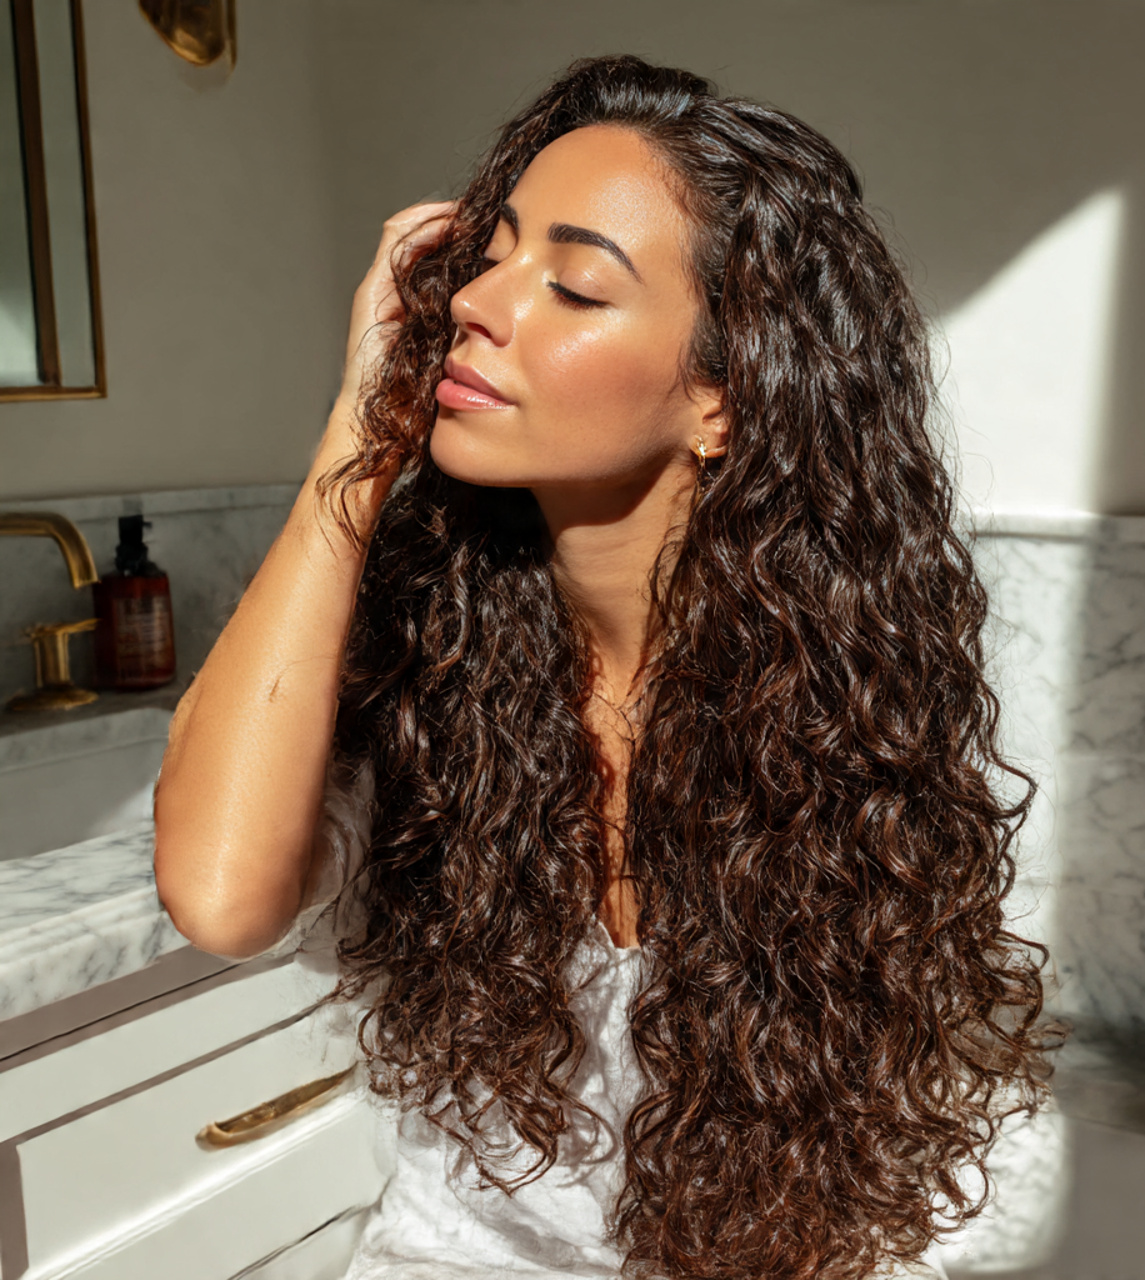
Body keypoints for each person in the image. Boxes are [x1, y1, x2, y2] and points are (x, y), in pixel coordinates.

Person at [154, 54, 1056, 1280]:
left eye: (573, 286)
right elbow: (220, 895)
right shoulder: (425, 670)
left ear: (722, 399)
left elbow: (827, 1192)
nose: (477, 300)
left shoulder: (838, 718)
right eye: (490, 253)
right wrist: (359, 432)